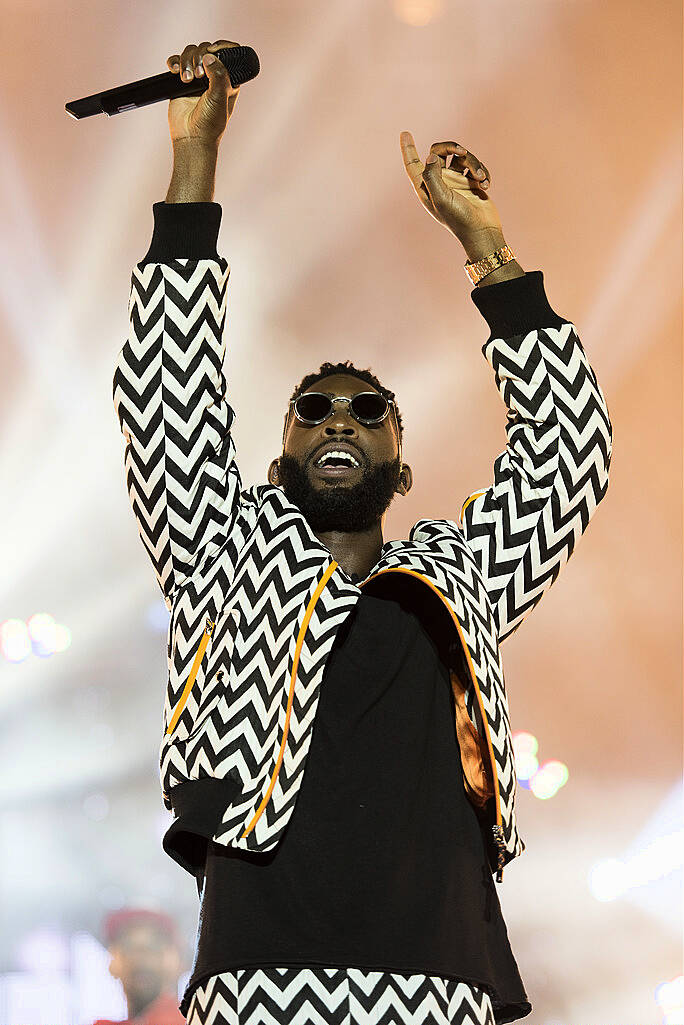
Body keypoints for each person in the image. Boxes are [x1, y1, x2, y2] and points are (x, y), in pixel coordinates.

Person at [112, 39, 612, 1025]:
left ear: (401, 466)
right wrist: (195, 158)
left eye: (366, 409)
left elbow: (568, 453)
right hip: (263, 981)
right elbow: (168, 404)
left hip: (437, 982)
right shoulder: (225, 553)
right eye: (315, 407)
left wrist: (490, 251)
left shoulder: (458, 578)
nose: (340, 417)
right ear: (277, 458)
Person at [93, 908, 186, 1025]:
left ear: (174, 962)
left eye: (154, 946)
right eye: (129, 946)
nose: (141, 957)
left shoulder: (195, 1021)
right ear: (113, 962)